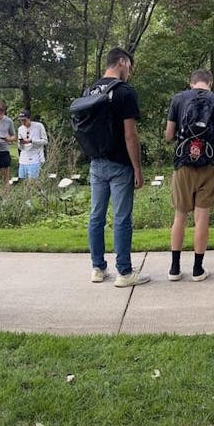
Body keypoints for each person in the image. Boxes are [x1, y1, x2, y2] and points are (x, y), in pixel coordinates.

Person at [85, 47, 150, 288]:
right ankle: (124, 272)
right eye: (129, 67)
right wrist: (138, 169)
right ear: (122, 62)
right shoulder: (124, 92)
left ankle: (98, 268)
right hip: (120, 163)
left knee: (96, 216)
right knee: (122, 218)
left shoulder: (91, 90)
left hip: (96, 161)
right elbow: (130, 134)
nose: (129, 73)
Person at [164, 69, 214, 282]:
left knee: (180, 216)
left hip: (183, 163)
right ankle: (197, 269)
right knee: (202, 217)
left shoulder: (178, 99)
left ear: (191, 82)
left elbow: (168, 135)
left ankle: (174, 269)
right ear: (210, 83)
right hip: (209, 163)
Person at [0, 102, 17, 190]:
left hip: (4, 150)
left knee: (5, 175)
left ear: (4, 111)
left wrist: (8, 139)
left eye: (1, 111)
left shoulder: (9, 121)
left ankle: (6, 193)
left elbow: (14, 136)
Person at [16, 109, 48, 180]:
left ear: (29, 118)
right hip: (23, 158)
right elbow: (20, 147)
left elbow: (45, 141)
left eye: (24, 120)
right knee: (22, 180)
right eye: (21, 121)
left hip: (35, 158)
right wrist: (21, 143)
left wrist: (32, 141)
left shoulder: (39, 126)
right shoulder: (20, 129)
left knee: (33, 181)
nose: (23, 122)